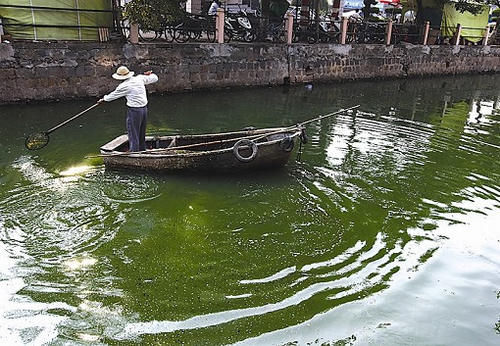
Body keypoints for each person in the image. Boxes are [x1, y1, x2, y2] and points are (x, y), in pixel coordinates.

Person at [98, 66, 158, 152]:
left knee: (133, 133)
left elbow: (113, 95)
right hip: (144, 110)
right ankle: (142, 149)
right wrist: (150, 74)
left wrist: (103, 99)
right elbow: (155, 78)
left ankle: (135, 153)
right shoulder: (139, 78)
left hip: (134, 111)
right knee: (141, 132)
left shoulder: (124, 86)